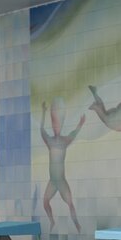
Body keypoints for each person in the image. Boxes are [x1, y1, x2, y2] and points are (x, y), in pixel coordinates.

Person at [40, 98, 85, 232]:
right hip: (52, 181)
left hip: (61, 181)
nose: (56, 126)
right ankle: (52, 222)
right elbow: (42, 130)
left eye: (58, 122)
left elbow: (74, 134)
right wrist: (43, 112)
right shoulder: (49, 141)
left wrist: (80, 124)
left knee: (70, 204)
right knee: (45, 202)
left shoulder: (64, 141)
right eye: (54, 122)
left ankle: (77, 225)